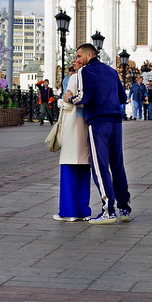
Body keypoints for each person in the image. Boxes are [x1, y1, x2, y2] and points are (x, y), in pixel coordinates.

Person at [65, 43, 132, 224]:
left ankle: (108, 209)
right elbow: (123, 98)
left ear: (88, 56)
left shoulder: (86, 72)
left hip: (97, 122)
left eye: (79, 56)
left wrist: (69, 98)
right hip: (115, 122)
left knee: (100, 166)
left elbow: (83, 97)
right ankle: (124, 208)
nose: (77, 60)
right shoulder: (111, 71)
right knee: (117, 164)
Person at [54, 62, 91, 221]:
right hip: (86, 126)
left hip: (72, 127)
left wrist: (61, 102)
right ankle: (84, 211)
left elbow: (68, 104)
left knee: (69, 168)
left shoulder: (75, 78)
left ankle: (69, 212)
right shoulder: (91, 77)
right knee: (84, 169)